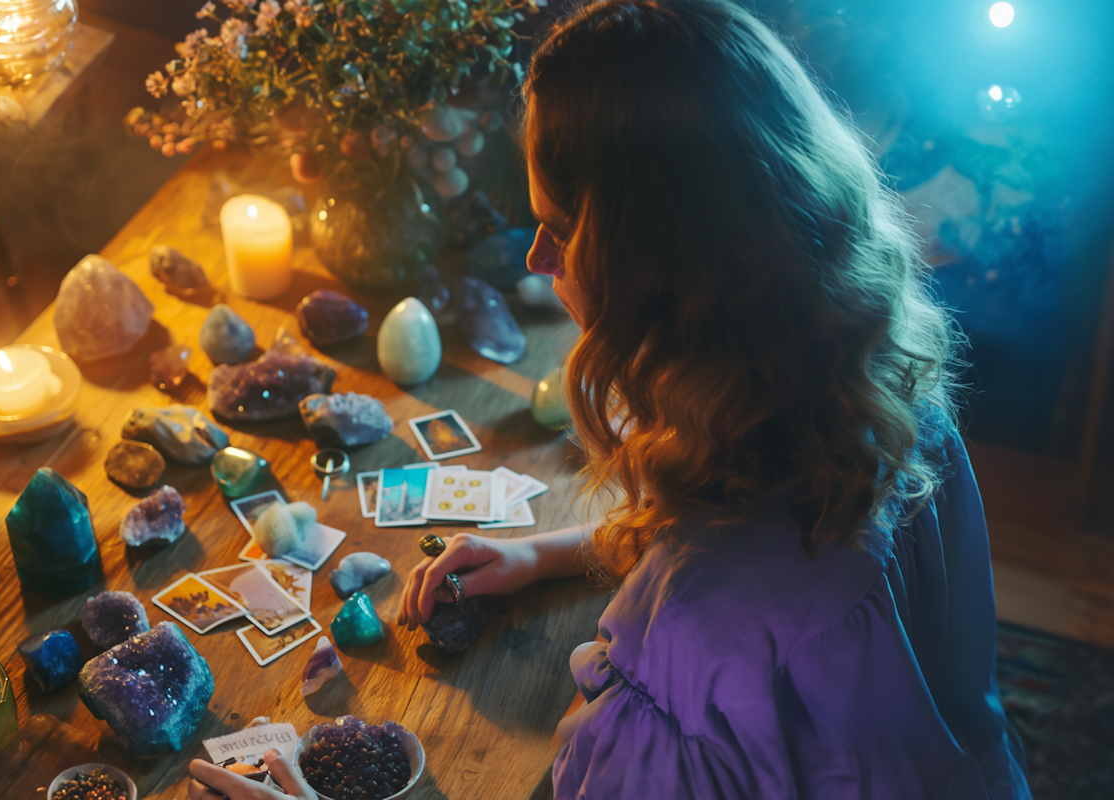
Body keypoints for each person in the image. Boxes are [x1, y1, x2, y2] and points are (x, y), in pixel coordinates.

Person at [192, 0, 1032, 798]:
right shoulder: (893, 395)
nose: (535, 257)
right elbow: (764, 545)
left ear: (662, 267)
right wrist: (545, 554)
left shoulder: (685, 652)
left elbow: (738, 602)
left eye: (560, 227)